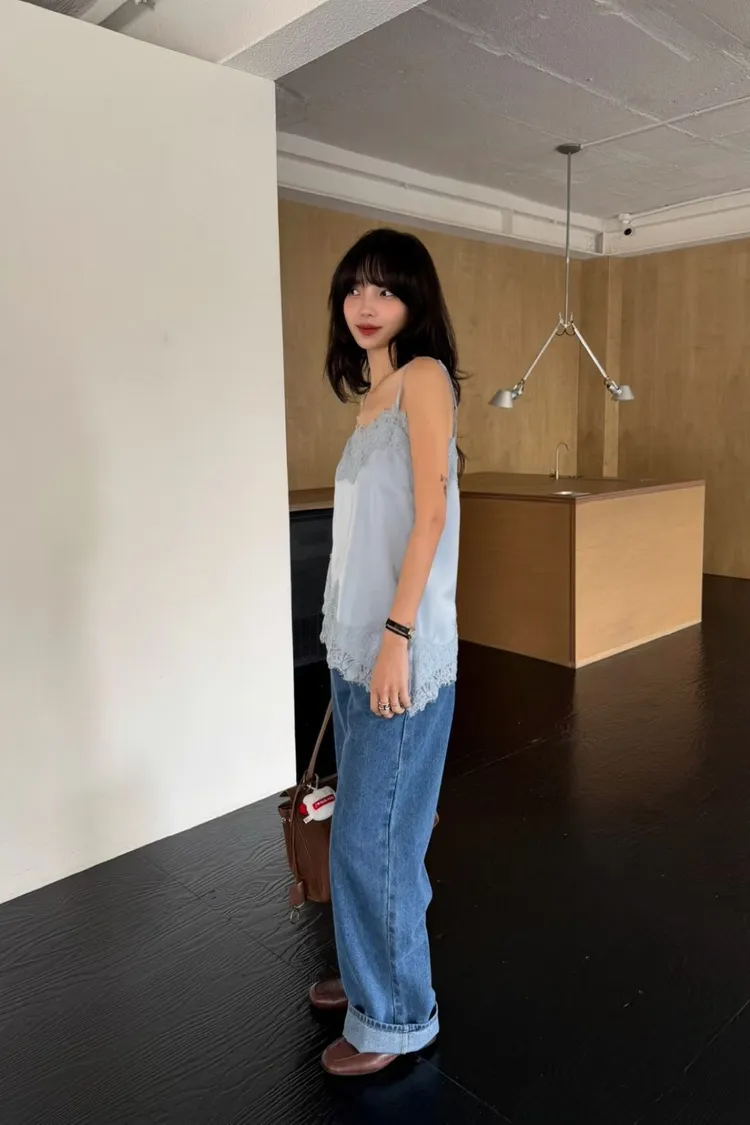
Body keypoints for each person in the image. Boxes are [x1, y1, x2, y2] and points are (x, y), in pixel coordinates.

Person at [313, 228, 462, 1077]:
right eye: (355, 288)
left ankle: (398, 1014)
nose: (366, 305)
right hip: (356, 648)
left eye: (387, 290)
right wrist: (350, 639)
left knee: (377, 839)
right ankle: (369, 967)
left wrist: (397, 638)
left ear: (414, 302)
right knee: (361, 833)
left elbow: (431, 518)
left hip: (400, 649)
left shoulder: (424, 378)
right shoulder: (369, 401)